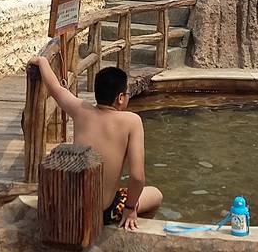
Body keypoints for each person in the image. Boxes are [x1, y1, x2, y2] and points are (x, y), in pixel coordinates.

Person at [28, 40, 162, 230]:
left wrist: (42, 61)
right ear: (120, 98)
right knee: (156, 195)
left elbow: (55, 88)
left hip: (72, 207)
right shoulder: (132, 121)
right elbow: (137, 177)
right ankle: (125, 230)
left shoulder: (80, 110)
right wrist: (130, 208)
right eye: (127, 93)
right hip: (102, 212)